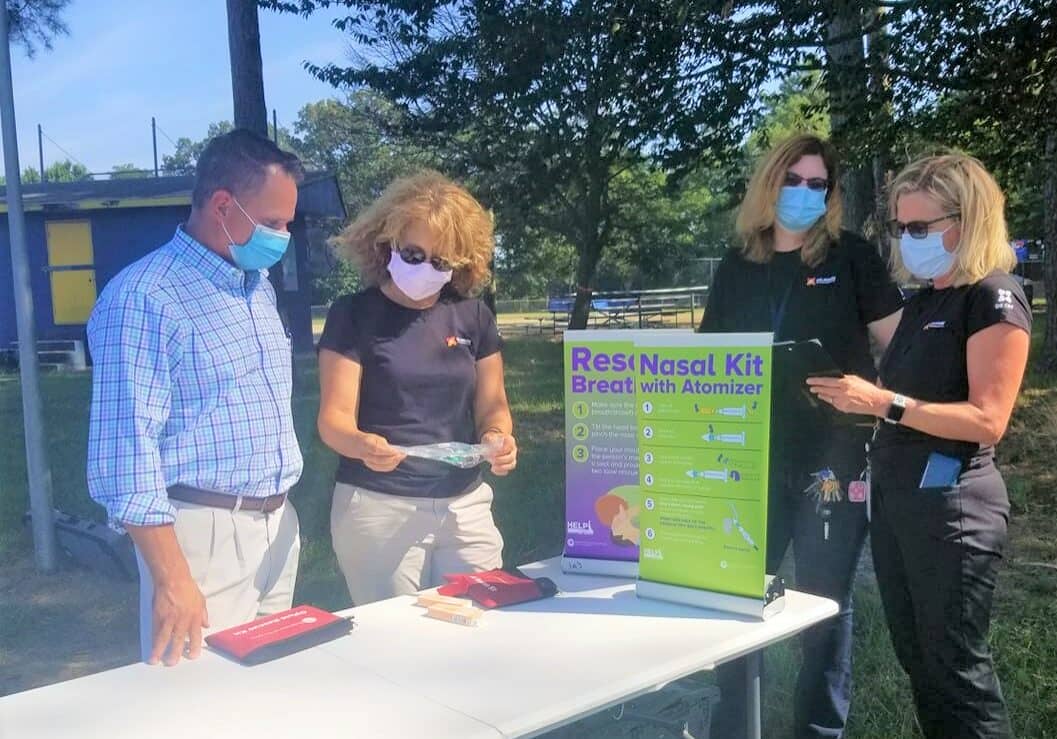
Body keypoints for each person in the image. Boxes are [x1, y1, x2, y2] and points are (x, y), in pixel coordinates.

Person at [808, 153, 1029, 739]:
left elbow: (988, 419)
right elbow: (906, 396)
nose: (906, 241)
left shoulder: (993, 296)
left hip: (954, 505)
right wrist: (853, 396)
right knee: (921, 666)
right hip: (901, 501)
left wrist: (884, 404)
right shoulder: (926, 300)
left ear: (968, 219)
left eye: (919, 228)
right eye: (900, 229)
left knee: (957, 671)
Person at [699, 133, 904, 738]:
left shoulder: (852, 257)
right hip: (749, 458)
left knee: (825, 607)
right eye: (794, 180)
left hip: (833, 461)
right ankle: (734, 724)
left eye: (820, 185)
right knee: (734, 598)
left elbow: (902, 347)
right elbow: (710, 360)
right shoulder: (738, 264)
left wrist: (887, 404)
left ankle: (817, 731)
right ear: (769, 184)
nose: (806, 194)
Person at [86, 129, 305, 667]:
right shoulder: (145, 297)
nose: (282, 237)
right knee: (201, 707)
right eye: (273, 223)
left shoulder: (254, 286)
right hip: (201, 534)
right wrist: (173, 578)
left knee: (269, 688)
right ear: (222, 206)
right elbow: (126, 452)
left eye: (287, 224)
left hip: (277, 524)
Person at [317, 171, 517, 606]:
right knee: (397, 648)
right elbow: (333, 422)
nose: (424, 268)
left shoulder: (473, 317)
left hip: (464, 507)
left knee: (481, 630)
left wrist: (498, 439)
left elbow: (493, 407)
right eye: (413, 253)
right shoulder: (353, 315)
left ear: (461, 265)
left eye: (440, 262)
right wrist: (362, 444)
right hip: (378, 508)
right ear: (386, 243)